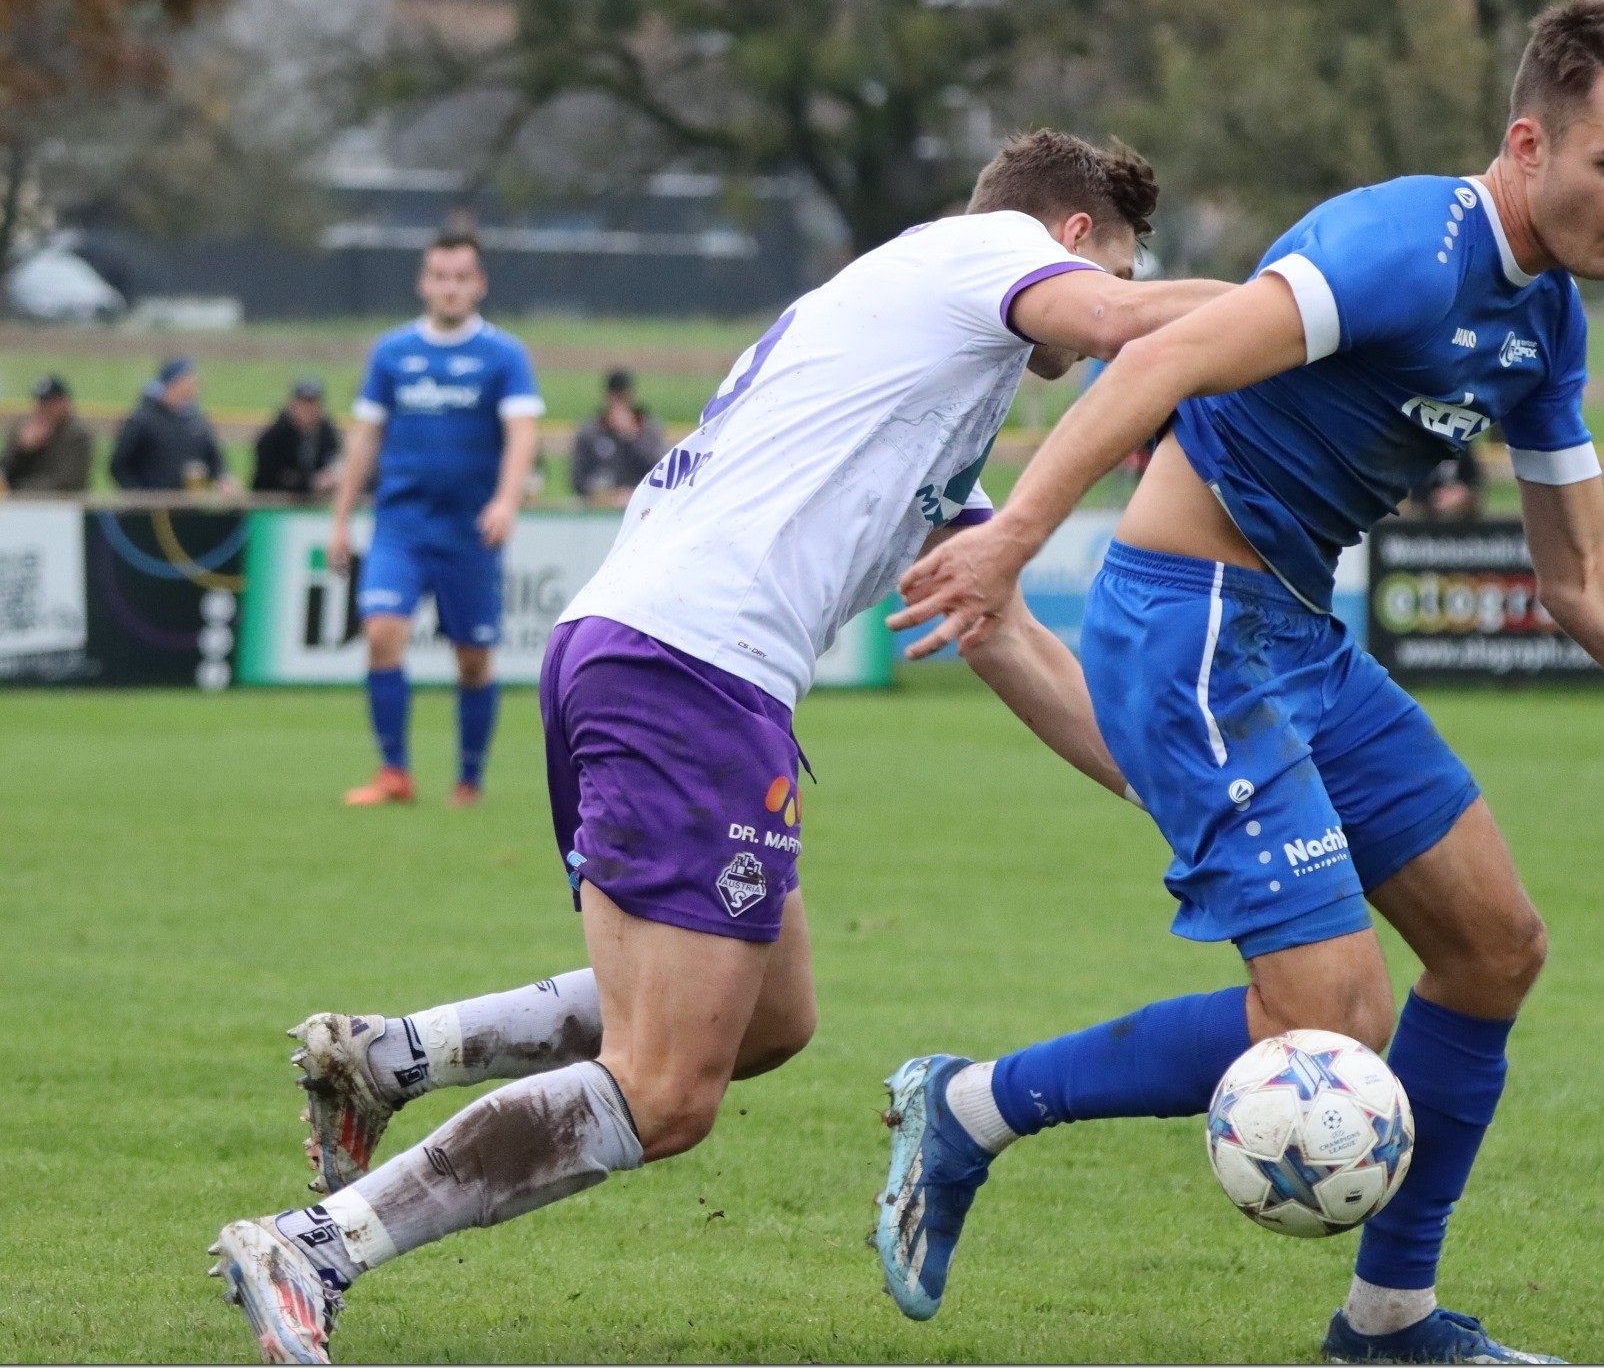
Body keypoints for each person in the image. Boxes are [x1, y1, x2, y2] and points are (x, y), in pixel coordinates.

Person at [208, 130, 1238, 1364]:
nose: (1122, 293)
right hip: (686, 666)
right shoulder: (990, 249)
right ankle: (313, 1245)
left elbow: (1001, 632)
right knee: (665, 1086)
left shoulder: (920, 379)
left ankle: (397, 1052)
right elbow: (1124, 324)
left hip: (652, 652)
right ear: (1075, 233)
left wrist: (1175, 793)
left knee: (768, 1019)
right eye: (1128, 265)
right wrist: (1307, 307)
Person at [877, 0, 1604, 1364]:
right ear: (1530, 143)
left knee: (1496, 947)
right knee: (1332, 1014)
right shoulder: (1400, 244)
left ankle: (1388, 1323)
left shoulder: (1548, 324)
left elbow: (1579, 583)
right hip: (1189, 625)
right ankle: (968, 1107)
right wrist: (1008, 548)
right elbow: (1154, 356)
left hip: (1301, 638)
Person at [328, 233, 542, 810]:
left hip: (470, 533)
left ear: (479, 285)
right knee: (381, 632)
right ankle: (394, 772)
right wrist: (341, 517)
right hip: (401, 525)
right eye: (440, 277)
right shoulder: (391, 352)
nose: (450, 288)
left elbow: (523, 432)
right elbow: (366, 434)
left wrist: (506, 500)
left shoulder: (504, 356)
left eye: (461, 277)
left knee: (473, 659)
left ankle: (468, 781)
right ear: (424, 283)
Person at [108, 356, 239, 494]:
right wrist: (139, 497)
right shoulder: (143, 419)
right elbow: (119, 465)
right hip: (149, 506)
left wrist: (224, 479)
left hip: (190, 504)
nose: (195, 385)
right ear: (174, 382)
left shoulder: (197, 419)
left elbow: (215, 460)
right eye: (189, 379)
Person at [569, 369, 665, 506]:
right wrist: (605, 494)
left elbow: (659, 470)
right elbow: (577, 479)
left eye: (624, 399)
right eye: (616, 399)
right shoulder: (592, 431)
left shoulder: (648, 430)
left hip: (640, 503)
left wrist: (631, 436)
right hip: (600, 506)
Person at [0, 375, 93, 494]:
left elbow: (67, 483)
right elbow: (5, 470)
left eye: (50, 404)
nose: (44, 409)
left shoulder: (76, 435)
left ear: (64, 402)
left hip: (61, 506)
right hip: (19, 501)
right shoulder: (23, 428)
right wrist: (23, 449)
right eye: (41, 403)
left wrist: (16, 489)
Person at [252, 379, 342, 500]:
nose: (309, 410)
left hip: (315, 504)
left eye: (313, 403)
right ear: (293, 405)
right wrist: (312, 483)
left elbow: (332, 458)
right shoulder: (275, 435)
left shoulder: (326, 431)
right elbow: (273, 476)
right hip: (272, 504)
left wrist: (332, 476)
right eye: (304, 404)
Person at [1409, 442, 1484, 522]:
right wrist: (1437, 497)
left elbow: (1473, 483)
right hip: (1430, 512)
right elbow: (1417, 493)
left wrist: (1461, 492)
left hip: (1461, 511)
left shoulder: (1463, 449)